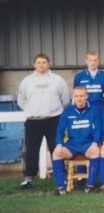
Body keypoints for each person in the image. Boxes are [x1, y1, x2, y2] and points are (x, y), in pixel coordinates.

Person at [17, 53, 70, 189]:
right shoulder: (27, 81)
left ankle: (60, 177)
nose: (41, 65)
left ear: (49, 64)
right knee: (31, 150)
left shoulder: (57, 80)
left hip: (53, 120)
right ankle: (28, 178)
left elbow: (65, 100)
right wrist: (33, 110)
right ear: (34, 64)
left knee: (56, 149)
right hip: (33, 121)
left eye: (44, 62)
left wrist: (52, 111)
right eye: (39, 62)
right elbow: (21, 100)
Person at [51, 86, 101, 195]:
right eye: (76, 96)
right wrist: (59, 144)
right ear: (73, 97)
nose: (79, 99)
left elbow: (98, 129)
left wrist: (95, 143)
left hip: (87, 144)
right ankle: (61, 188)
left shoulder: (94, 110)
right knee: (56, 153)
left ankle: (90, 187)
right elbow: (60, 130)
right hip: (72, 145)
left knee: (96, 151)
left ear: (87, 96)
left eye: (82, 96)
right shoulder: (68, 111)